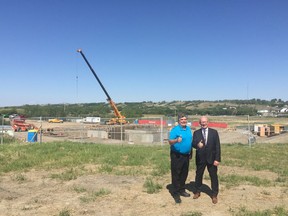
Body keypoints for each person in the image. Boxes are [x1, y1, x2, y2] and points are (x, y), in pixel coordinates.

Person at [192, 116, 221, 204]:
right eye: (202, 122)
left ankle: (214, 194)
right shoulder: (196, 133)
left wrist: (217, 159)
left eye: (205, 122)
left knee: (213, 177)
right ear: (199, 123)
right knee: (198, 175)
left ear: (208, 122)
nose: (203, 123)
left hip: (212, 159)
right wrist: (197, 145)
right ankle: (197, 191)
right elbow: (193, 144)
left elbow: (217, 147)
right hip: (200, 158)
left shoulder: (214, 132)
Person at [168, 113, 193, 203]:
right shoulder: (175, 130)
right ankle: (175, 193)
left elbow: (190, 141)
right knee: (176, 174)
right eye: (182, 119)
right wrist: (176, 140)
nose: (183, 121)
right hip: (177, 156)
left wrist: (191, 152)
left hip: (186, 155)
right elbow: (170, 142)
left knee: (184, 173)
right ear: (178, 121)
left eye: (185, 119)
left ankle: (182, 190)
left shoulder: (188, 129)